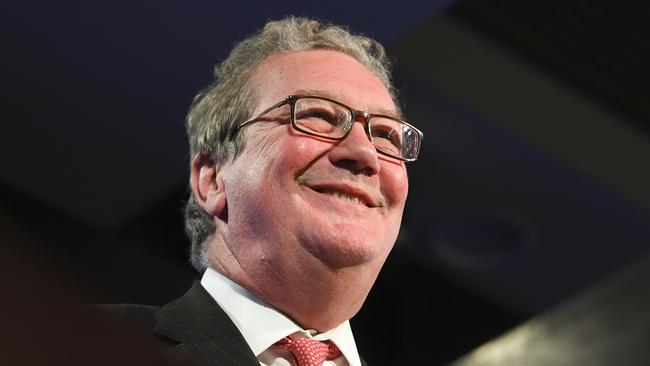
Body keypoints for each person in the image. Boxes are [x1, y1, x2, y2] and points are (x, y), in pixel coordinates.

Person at [104, 16, 422, 366]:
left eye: (384, 134)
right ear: (212, 178)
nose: (365, 154)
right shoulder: (96, 343)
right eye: (318, 115)